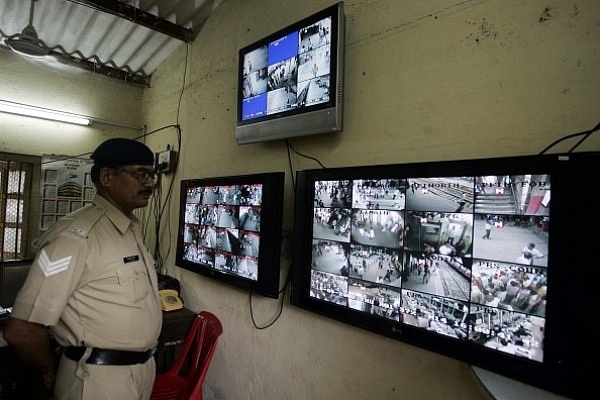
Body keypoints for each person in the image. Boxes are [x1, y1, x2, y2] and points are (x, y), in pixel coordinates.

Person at [3, 138, 163, 400]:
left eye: (152, 175)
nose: (149, 184)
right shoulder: (74, 237)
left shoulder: (129, 230)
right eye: (140, 174)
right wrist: (49, 368)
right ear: (107, 176)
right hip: (96, 381)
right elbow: (22, 329)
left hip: (140, 373)